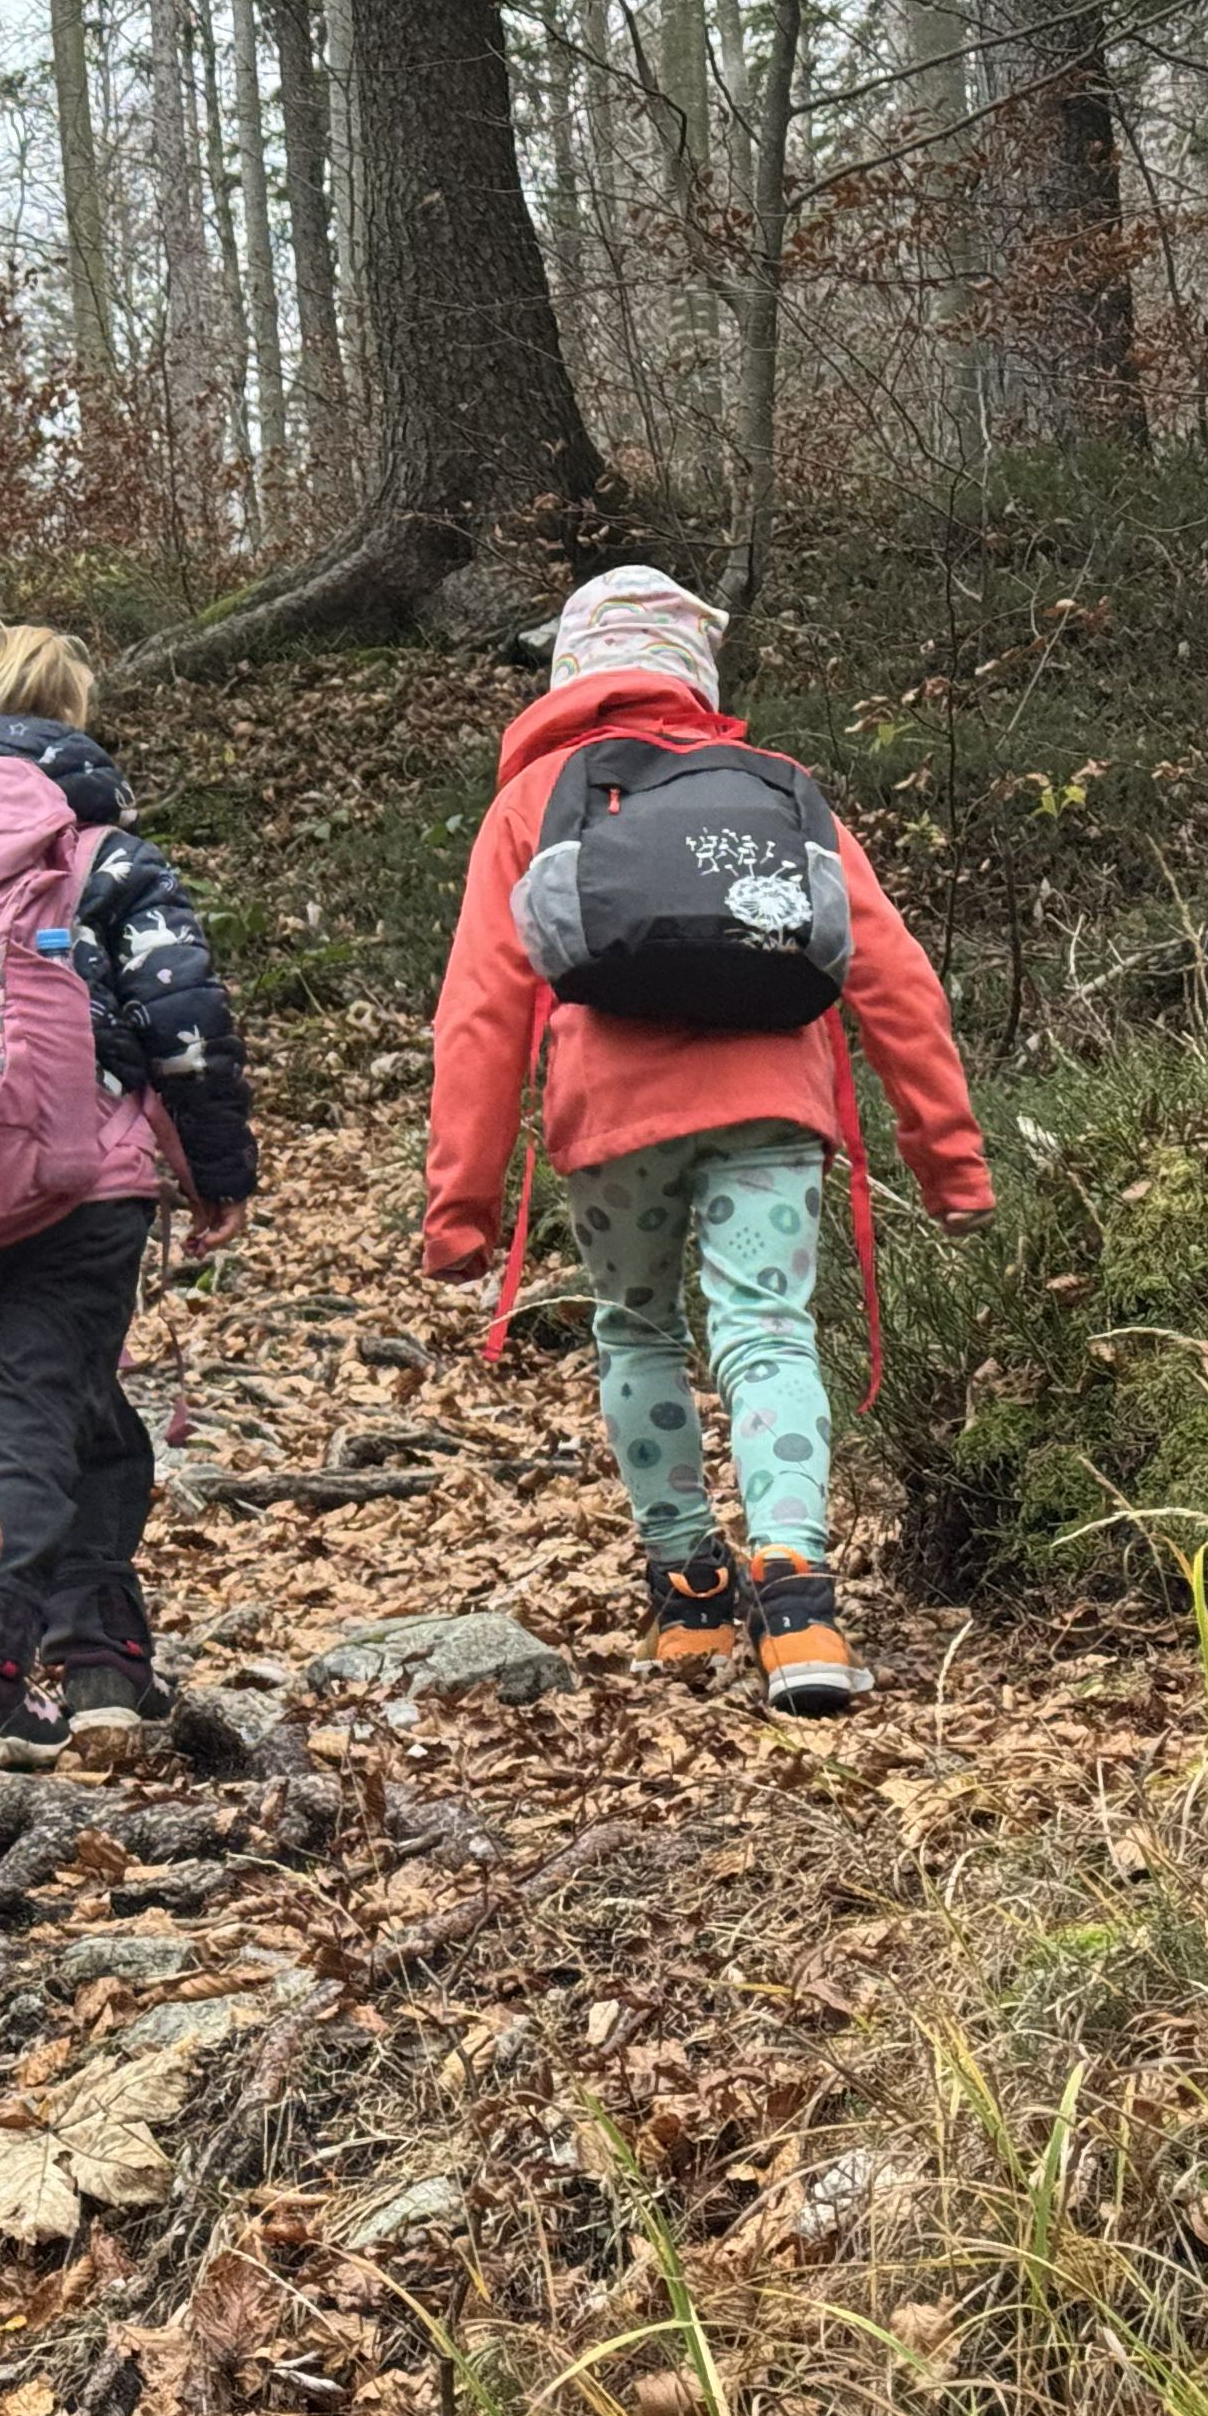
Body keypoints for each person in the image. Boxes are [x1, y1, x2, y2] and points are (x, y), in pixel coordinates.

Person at [419, 566, 992, 1719]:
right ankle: (800, 1605)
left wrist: (461, 1203)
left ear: (569, 670)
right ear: (697, 674)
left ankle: (689, 1596)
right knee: (766, 1330)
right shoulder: (779, 789)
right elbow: (895, 980)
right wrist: (949, 1160)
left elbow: (480, 1006)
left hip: (610, 1119)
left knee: (638, 1332)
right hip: (772, 1104)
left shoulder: (535, 797)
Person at [0, 622, 256, 1771]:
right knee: (36, 1409)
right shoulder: (99, 849)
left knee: (92, 1423)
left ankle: (104, 1668)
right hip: (81, 1179)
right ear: (64, 720)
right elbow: (182, 1014)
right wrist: (218, 1170)